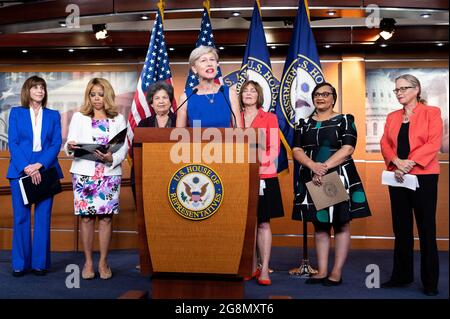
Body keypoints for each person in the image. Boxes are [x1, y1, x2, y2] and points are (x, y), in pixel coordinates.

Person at [292, 82, 371, 286]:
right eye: (317, 94)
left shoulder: (344, 120)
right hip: (313, 176)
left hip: (337, 176)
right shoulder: (304, 123)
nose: (321, 97)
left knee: (340, 223)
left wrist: (323, 167)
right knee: (320, 225)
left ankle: (336, 272)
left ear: (333, 98)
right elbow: (296, 150)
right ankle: (322, 271)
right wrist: (312, 166)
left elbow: (348, 148)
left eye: (326, 94)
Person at [380, 74, 443, 296]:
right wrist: (396, 162)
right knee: (401, 228)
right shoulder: (392, 116)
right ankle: (401, 276)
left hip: (423, 177)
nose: (399, 93)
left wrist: (409, 163)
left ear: (416, 89)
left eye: (404, 88)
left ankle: (430, 282)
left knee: (426, 229)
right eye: (396, 89)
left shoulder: (431, 113)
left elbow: (433, 142)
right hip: (397, 177)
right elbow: (385, 143)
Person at [64, 78, 128, 280]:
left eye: (100, 94)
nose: (97, 98)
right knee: (87, 217)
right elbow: (69, 146)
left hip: (109, 173)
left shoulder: (118, 118)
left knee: (107, 218)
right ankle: (89, 262)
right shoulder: (79, 117)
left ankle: (103, 262)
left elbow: (123, 148)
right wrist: (71, 146)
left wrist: (112, 158)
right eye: (93, 94)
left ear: (107, 95)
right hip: (85, 174)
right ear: (88, 96)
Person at [7, 75, 63, 277]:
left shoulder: (53, 115)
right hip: (20, 171)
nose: (40, 91)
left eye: (42, 88)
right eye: (35, 87)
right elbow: (13, 143)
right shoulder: (16, 113)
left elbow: (56, 143)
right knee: (21, 218)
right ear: (27, 91)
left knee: (42, 218)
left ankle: (40, 264)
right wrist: (27, 167)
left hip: (46, 170)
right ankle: (20, 264)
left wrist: (40, 165)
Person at [239, 80, 284, 286]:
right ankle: (251, 266)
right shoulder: (234, 117)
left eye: (252, 91)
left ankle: (264, 268)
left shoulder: (270, 118)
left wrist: (255, 165)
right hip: (239, 176)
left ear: (258, 95)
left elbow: (274, 149)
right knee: (247, 223)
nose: (248, 94)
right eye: (245, 91)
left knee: (263, 222)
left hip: (264, 176)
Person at [131, 81, 177, 201]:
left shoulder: (180, 121)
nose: (161, 101)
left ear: (170, 101)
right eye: (157, 98)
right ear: (151, 103)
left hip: (175, 172)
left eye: (164, 97)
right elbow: (136, 150)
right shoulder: (144, 124)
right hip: (150, 173)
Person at [176, 45, 242, 128]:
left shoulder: (230, 93)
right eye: (203, 60)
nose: (209, 64)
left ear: (217, 65)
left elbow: (239, 132)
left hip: (226, 141)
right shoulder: (186, 97)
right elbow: (179, 135)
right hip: (197, 141)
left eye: (212, 59)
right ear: (194, 68)